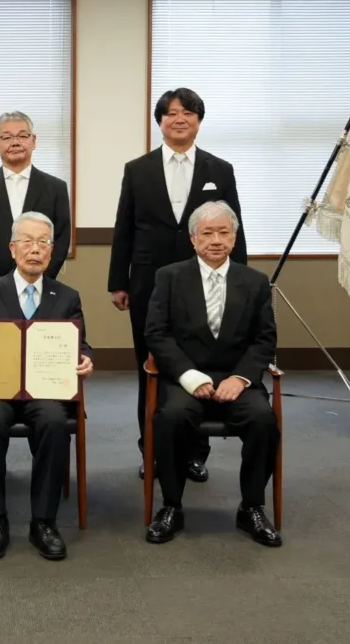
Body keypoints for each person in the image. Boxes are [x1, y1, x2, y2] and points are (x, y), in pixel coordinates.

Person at [108, 88, 248, 482]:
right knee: (150, 368)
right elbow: (125, 228)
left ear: (199, 121)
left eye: (188, 112)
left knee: (202, 363)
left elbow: (234, 226)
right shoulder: (137, 169)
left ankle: (194, 453)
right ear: (160, 122)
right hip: (148, 284)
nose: (179, 119)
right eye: (170, 113)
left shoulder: (219, 170)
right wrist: (119, 281)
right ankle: (149, 448)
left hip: (206, 282)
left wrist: (240, 281)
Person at [0, 211, 94, 561]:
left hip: (45, 390)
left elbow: (80, 343)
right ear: (13, 249)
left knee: (55, 423)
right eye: (27, 242)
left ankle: (44, 521)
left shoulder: (67, 296)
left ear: (52, 251)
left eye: (43, 242)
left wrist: (86, 359)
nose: (35, 250)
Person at [144, 201, 281, 547]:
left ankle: (251, 506)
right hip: (185, 379)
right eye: (207, 233)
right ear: (193, 239)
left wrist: (241, 378)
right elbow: (157, 334)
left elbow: (265, 339)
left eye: (224, 232)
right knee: (171, 417)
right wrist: (190, 376)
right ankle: (171, 506)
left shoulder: (255, 281)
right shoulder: (170, 277)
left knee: (264, 420)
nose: (216, 240)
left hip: (237, 378)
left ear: (234, 238)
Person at [0, 111, 71, 284]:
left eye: (22, 136)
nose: (15, 143)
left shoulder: (56, 187)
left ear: (33, 141)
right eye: (6, 137)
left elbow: (61, 239)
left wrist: (38, 280)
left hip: (40, 284)